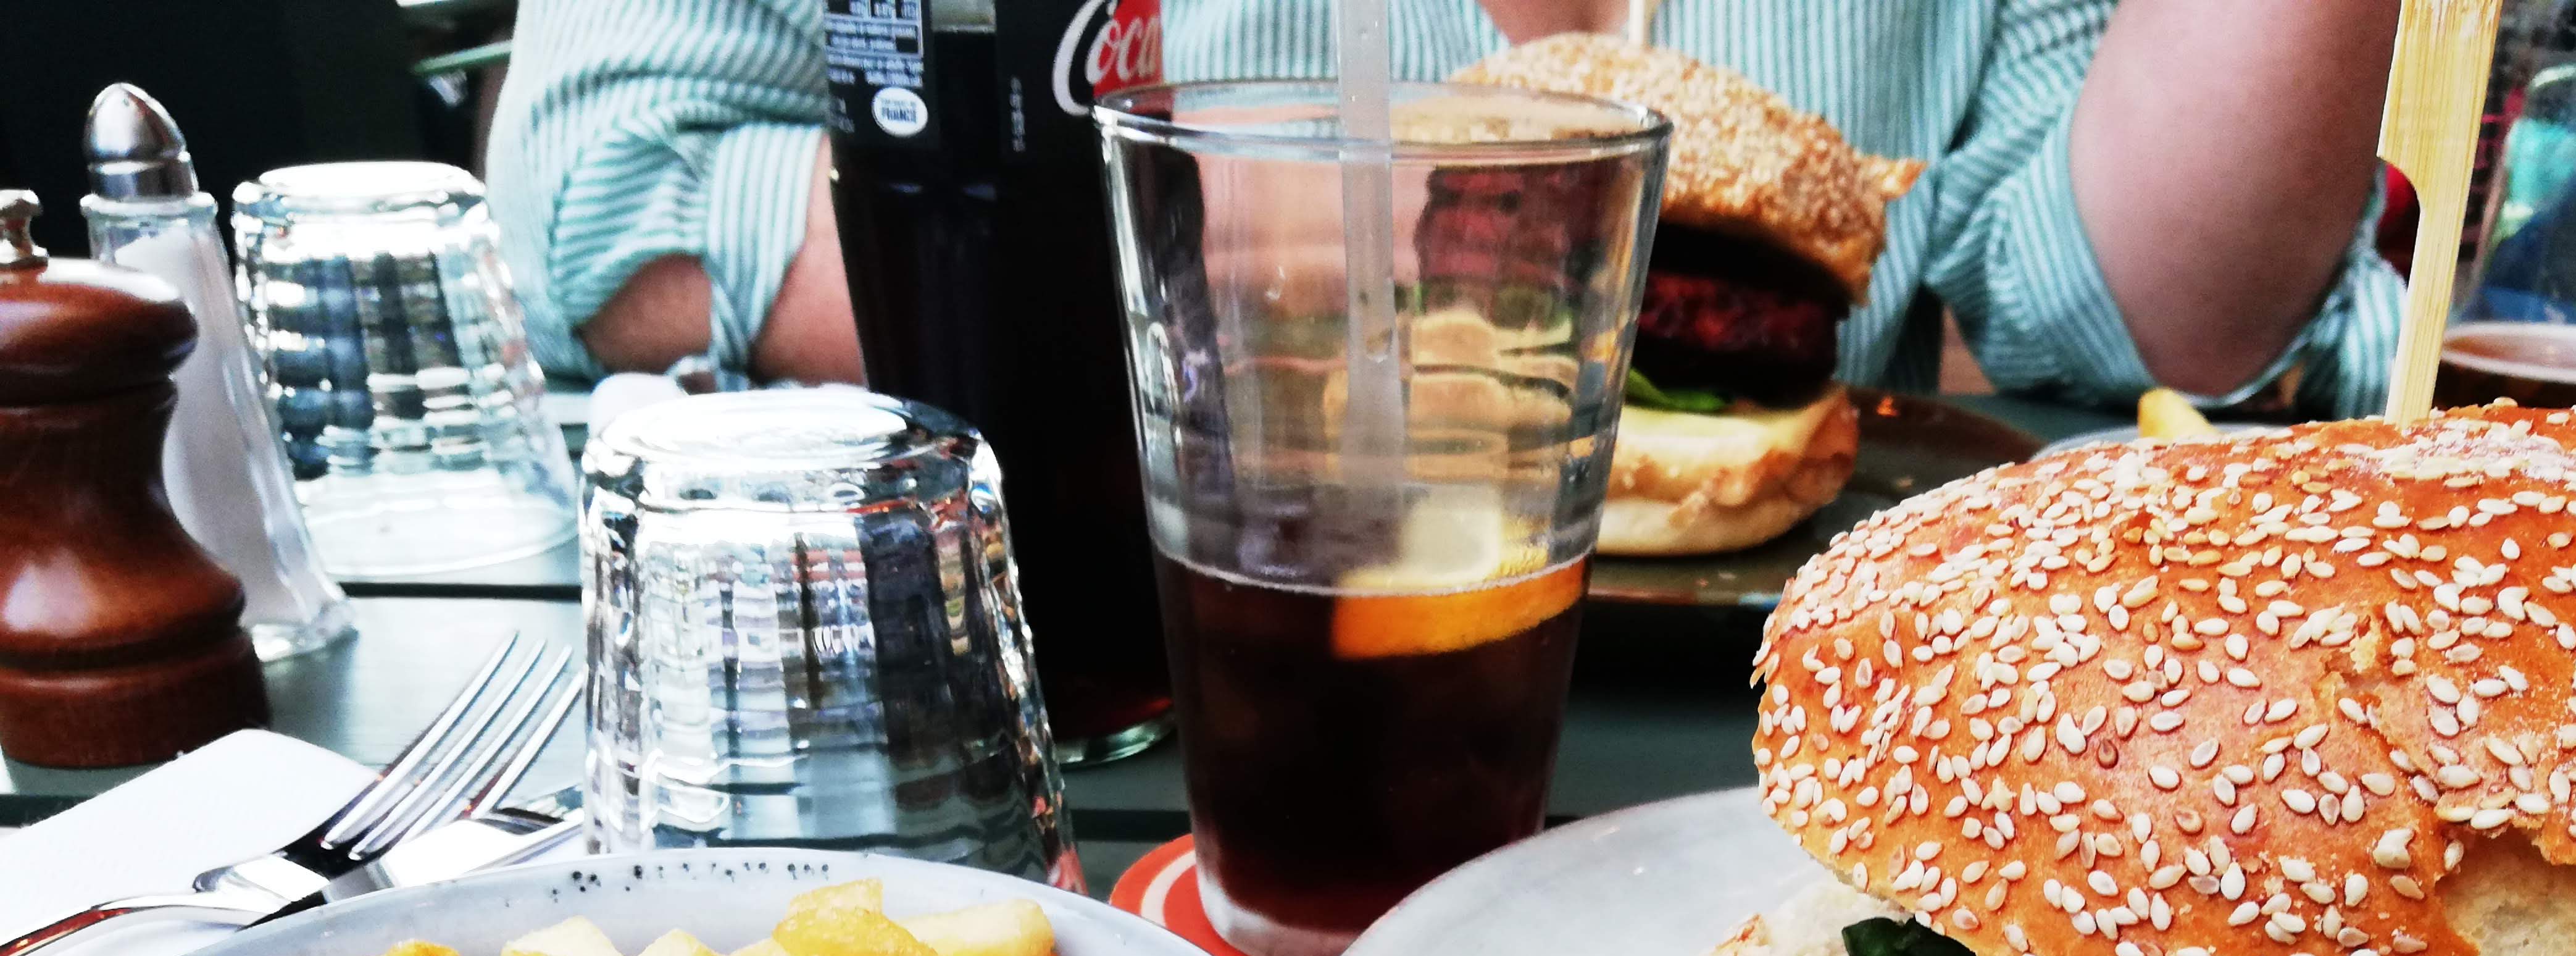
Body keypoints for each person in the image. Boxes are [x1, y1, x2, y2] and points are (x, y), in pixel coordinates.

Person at [491, 0, 2404, 413]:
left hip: (1751, 756)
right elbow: (603, 199)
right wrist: (1380, 230)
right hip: (1104, 690)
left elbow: (2134, 314)